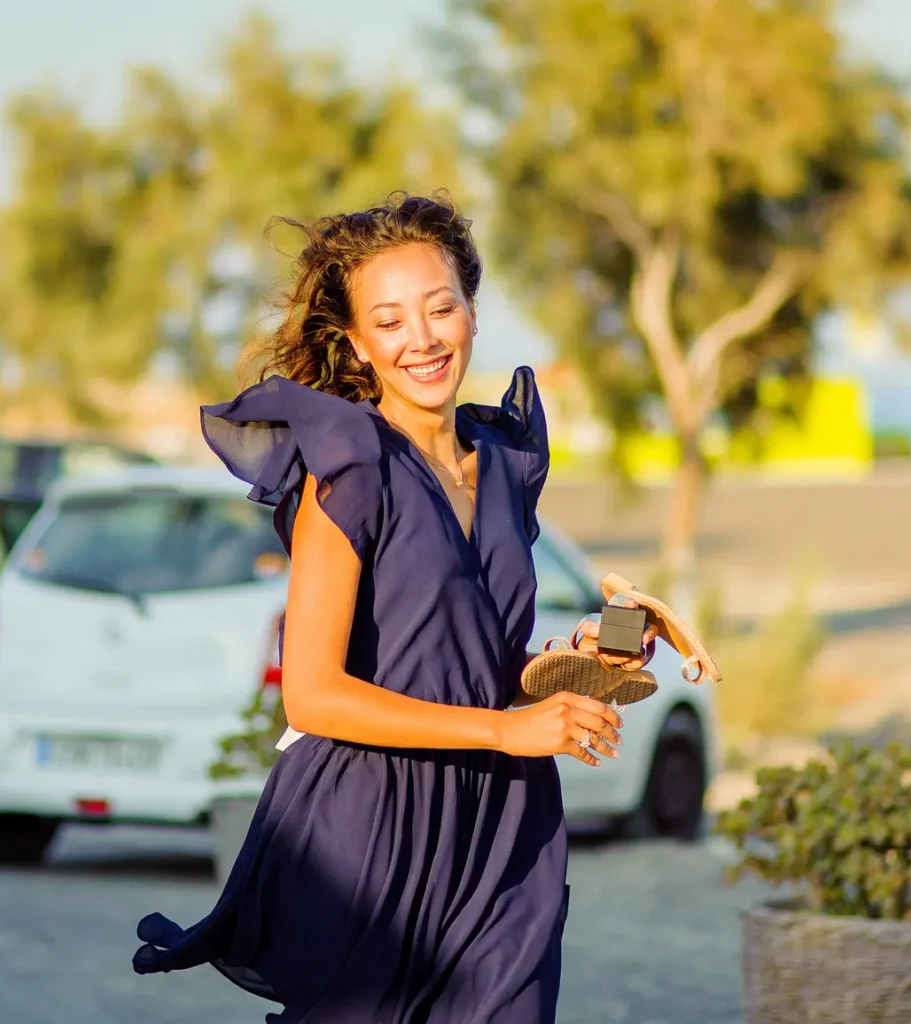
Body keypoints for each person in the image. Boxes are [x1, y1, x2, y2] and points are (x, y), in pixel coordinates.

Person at [132, 191, 656, 1022]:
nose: (422, 338)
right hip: (369, 840)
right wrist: (504, 730)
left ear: (473, 315)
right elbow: (312, 693)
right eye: (390, 321)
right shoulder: (350, 470)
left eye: (440, 308)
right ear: (359, 345)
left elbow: (473, 664)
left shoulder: (506, 461)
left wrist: (581, 662)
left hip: (504, 833)